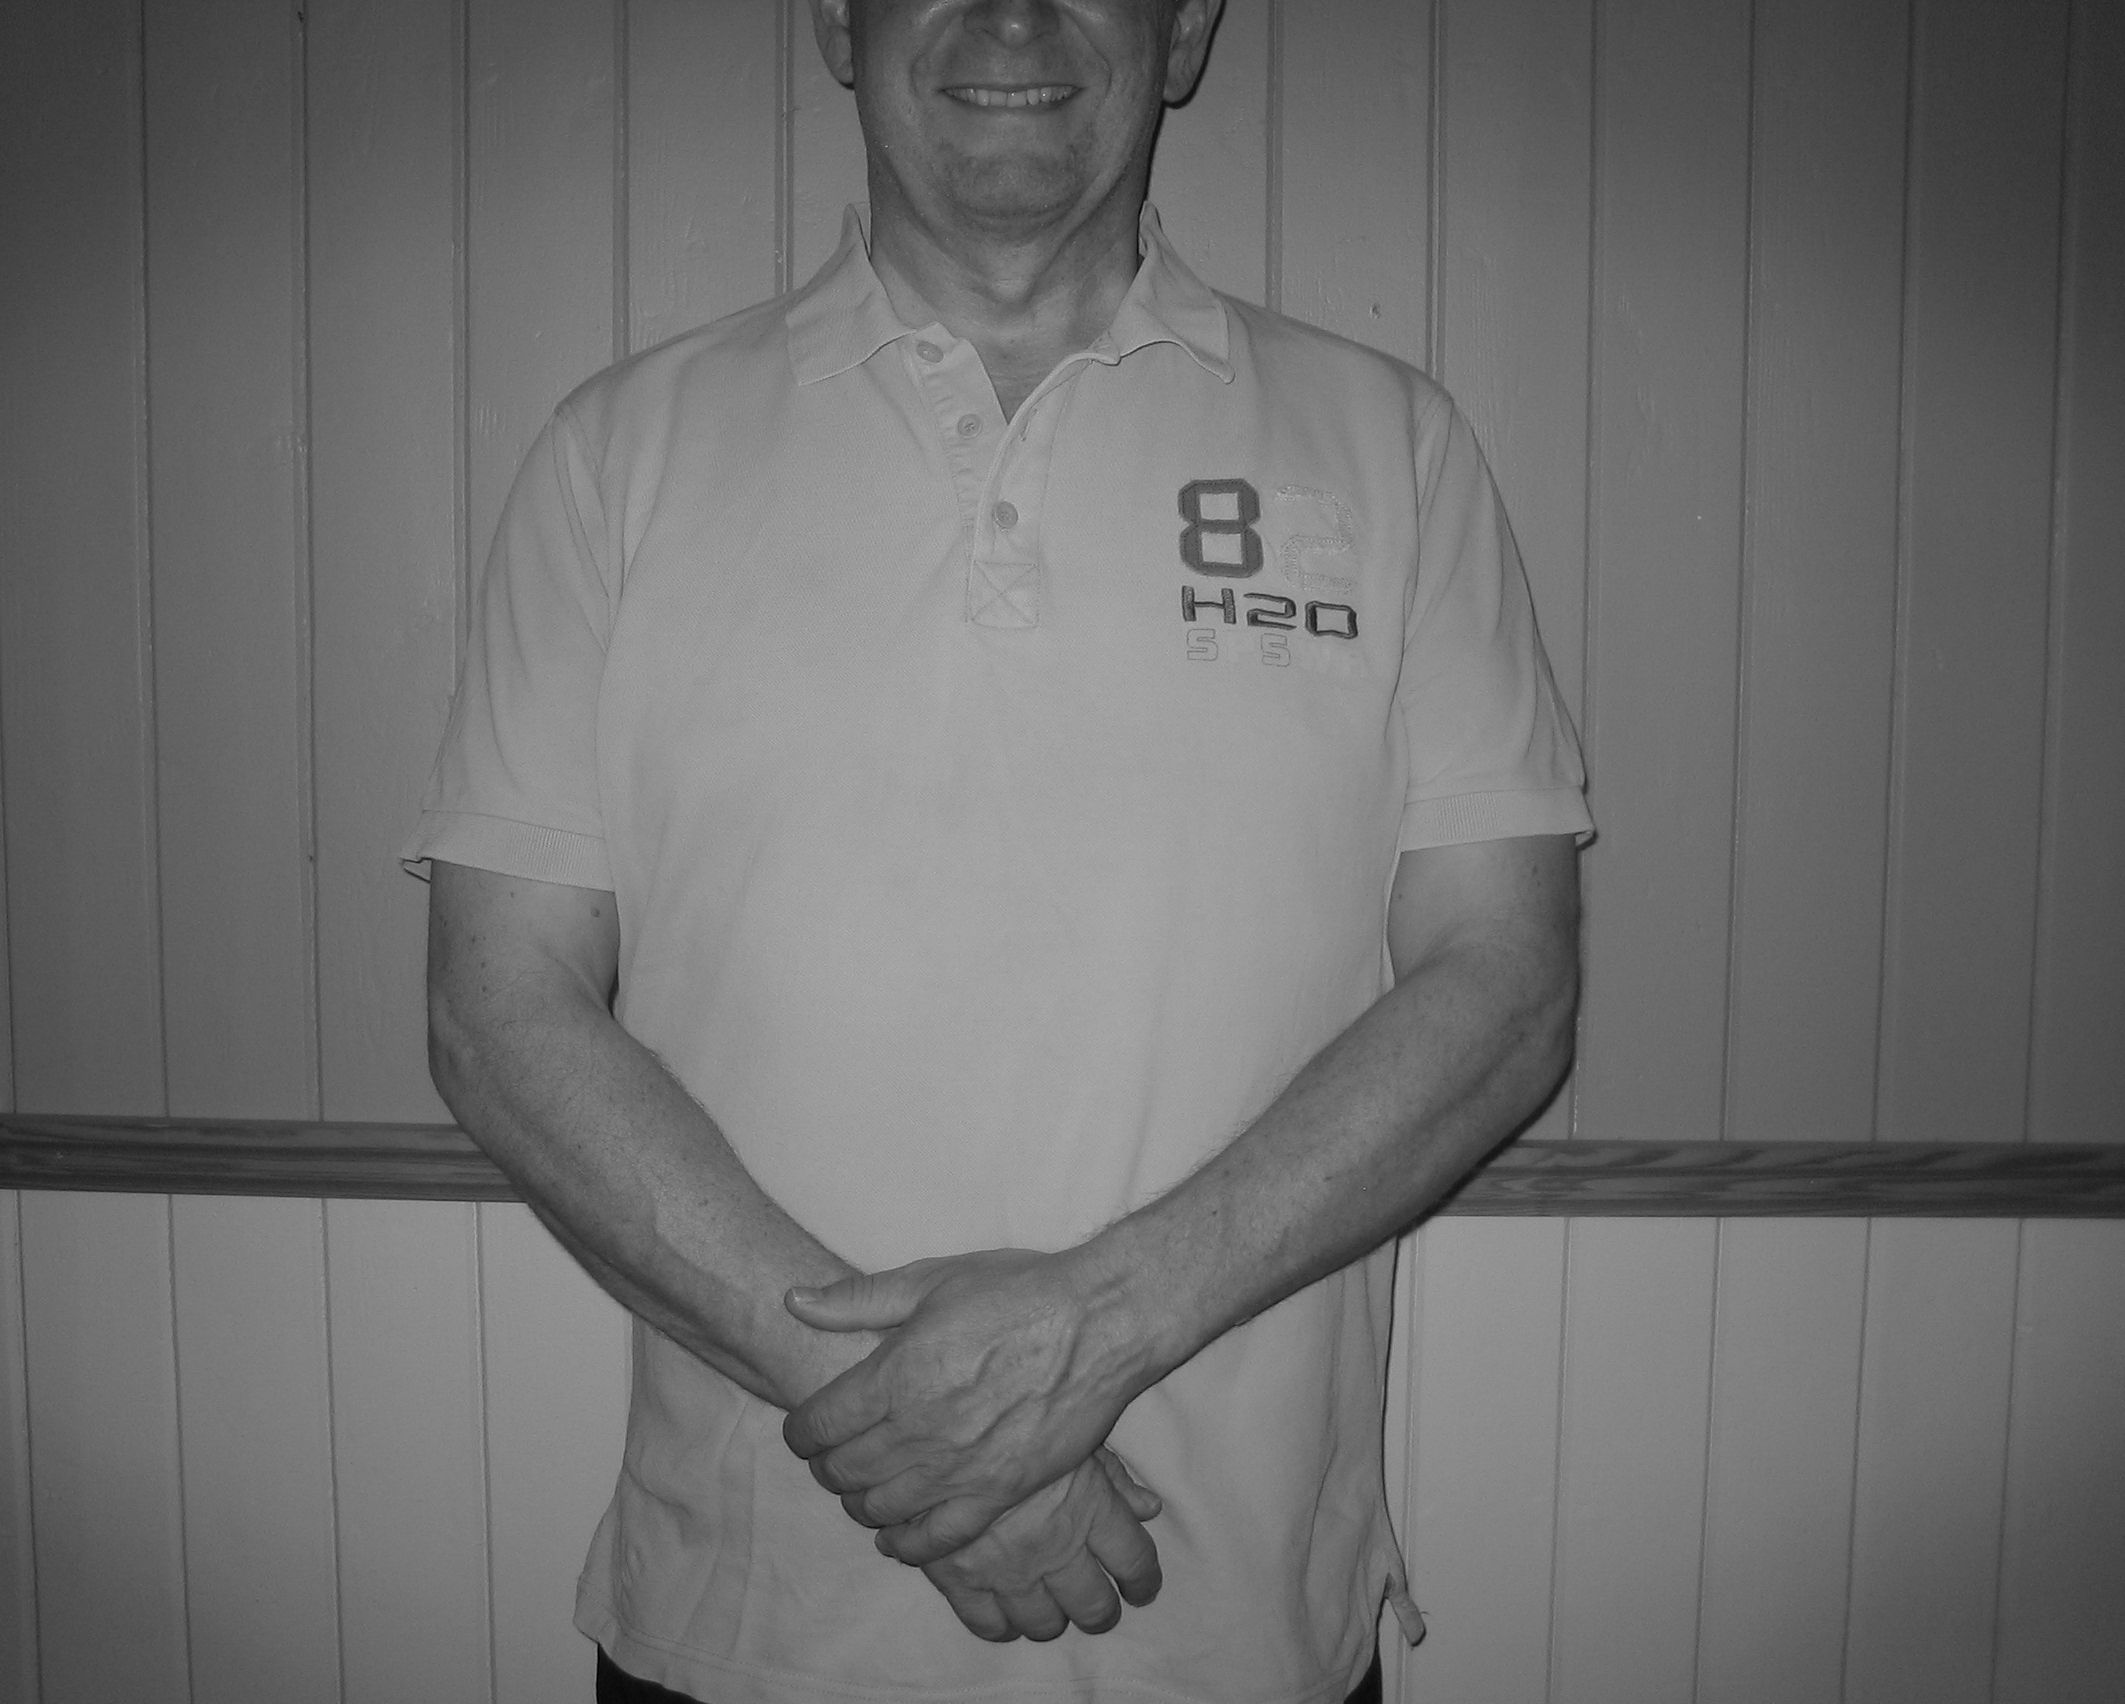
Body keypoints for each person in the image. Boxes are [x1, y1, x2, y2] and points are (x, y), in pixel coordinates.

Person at [407, 1, 1590, 1699]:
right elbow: (497, 1012)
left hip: (1241, 1633)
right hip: (750, 1622)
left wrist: (1093, 1332)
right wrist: (921, 1433)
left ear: (1185, 27)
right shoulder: (620, 456)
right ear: (838, 17)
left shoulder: (1391, 447)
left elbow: (1507, 985)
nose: (1014, 13)